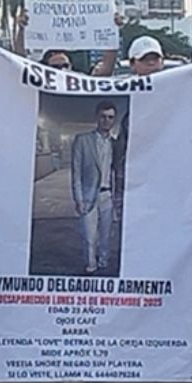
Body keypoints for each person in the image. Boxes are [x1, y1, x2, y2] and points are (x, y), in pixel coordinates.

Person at [70, 100, 119, 275]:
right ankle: (91, 266)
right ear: (97, 118)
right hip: (89, 195)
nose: (107, 120)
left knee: (105, 236)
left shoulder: (115, 144)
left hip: (108, 196)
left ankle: (104, 263)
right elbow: (76, 172)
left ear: (114, 120)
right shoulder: (82, 140)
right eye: (103, 117)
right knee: (90, 236)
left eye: (110, 117)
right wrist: (78, 198)